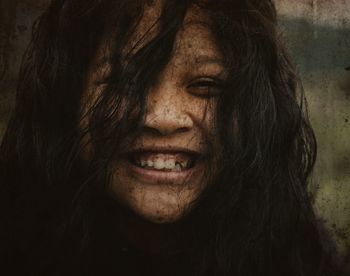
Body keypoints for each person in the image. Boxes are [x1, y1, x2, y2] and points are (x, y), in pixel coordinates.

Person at [0, 0, 345, 275]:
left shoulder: (303, 259)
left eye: (206, 86)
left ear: (256, 112)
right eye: (124, 83)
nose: (163, 117)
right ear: (67, 100)